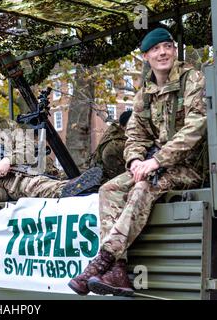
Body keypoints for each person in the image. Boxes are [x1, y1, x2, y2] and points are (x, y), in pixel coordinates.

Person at [68, 28, 207, 296]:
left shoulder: (192, 79)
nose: (163, 52)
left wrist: (155, 161)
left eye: (167, 46)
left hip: (188, 167)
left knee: (143, 188)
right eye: (155, 49)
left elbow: (195, 128)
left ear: (175, 51)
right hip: (155, 164)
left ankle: (102, 260)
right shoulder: (145, 91)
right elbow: (134, 135)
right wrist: (134, 160)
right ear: (146, 56)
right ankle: (118, 271)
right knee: (109, 189)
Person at [0, 88, 102, 285]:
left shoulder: (8, 126)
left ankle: (71, 188)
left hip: (12, 175)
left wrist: (8, 160)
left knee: (37, 183)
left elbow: (28, 149)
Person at [89, 110, 133, 183]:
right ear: (123, 127)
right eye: (131, 125)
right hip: (107, 180)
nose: (136, 127)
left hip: (99, 173)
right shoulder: (118, 144)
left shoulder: (114, 132)